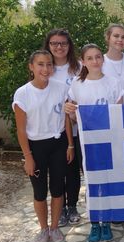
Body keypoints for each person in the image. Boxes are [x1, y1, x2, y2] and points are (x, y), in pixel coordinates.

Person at [13, 50, 74, 242]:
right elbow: (21, 130)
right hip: (36, 147)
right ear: (31, 67)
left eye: (49, 64)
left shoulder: (60, 88)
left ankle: (55, 228)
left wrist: (70, 144)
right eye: (40, 64)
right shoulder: (23, 93)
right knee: (39, 191)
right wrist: (28, 157)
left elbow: (65, 118)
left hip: (58, 144)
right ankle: (43, 228)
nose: (45, 69)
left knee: (57, 189)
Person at [64, 44, 124, 242]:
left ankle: (106, 221)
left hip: (110, 141)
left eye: (98, 57)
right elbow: (72, 117)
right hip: (88, 143)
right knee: (91, 182)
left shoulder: (114, 82)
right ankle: (94, 223)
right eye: (90, 58)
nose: (95, 61)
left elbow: (120, 113)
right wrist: (70, 110)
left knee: (107, 181)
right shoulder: (77, 84)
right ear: (83, 61)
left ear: (103, 59)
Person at [42, 28, 82, 227]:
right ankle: (62, 207)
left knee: (73, 170)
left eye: (63, 43)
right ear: (48, 46)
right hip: (53, 130)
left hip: (76, 128)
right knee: (58, 171)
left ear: (69, 46)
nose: (59, 47)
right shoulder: (44, 68)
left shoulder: (79, 67)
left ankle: (73, 206)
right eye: (54, 43)